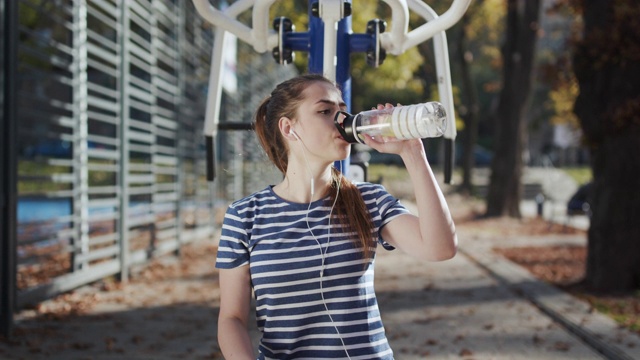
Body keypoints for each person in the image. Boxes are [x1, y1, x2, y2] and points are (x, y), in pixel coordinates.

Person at [216, 74, 457, 359]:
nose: (342, 120)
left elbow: (440, 248)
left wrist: (413, 152)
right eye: (325, 111)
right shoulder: (245, 216)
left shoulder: (369, 200)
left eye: (342, 110)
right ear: (288, 127)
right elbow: (231, 318)